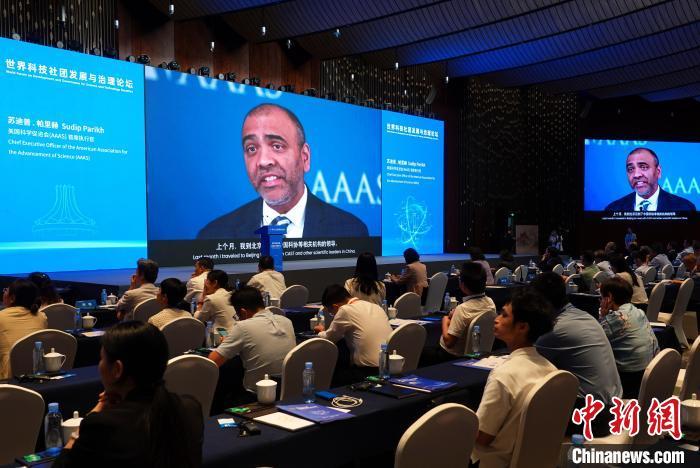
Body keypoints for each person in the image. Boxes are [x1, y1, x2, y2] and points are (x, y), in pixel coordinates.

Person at [197, 103, 368, 239]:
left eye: (277, 146)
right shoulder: (214, 235)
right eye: (251, 148)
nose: (263, 161)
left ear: (305, 157)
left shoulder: (350, 230)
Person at [53, 322, 203, 468]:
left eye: (102, 359)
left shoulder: (102, 426)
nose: (100, 365)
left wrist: (96, 410)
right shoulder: (190, 408)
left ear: (117, 369)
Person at [473, 289, 556, 467]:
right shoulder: (552, 370)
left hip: (495, 461)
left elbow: (482, 437)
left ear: (522, 327)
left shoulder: (503, 375)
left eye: (504, 315)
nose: (496, 319)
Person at [531, 273, 622, 437]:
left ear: (540, 303)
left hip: (594, 417)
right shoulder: (584, 316)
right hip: (613, 406)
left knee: (524, 407)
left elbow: (526, 364)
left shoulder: (555, 329)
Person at [208, 286, 295, 392]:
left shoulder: (242, 327)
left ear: (243, 312)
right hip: (289, 389)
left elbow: (212, 362)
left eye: (238, 316)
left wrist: (227, 342)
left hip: (257, 392)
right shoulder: (286, 321)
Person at [314, 284, 392, 378]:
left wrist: (320, 331)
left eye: (331, 313)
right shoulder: (376, 306)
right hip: (390, 366)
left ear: (335, 306)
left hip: (367, 372)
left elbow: (329, 338)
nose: (333, 315)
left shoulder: (345, 310)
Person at [599, 278, 659, 399]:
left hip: (630, 378)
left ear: (609, 297)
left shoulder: (614, 319)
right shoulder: (639, 311)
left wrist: (603, 316)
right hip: (652, 369)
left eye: (601, 297)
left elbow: (596, 341)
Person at [605, 147, 696, 212]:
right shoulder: (612, 209)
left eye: (643, 167)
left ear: (658, 172)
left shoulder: (685, 208)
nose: (636, 175)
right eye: (631, 169)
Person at [439, 262, 496, 357]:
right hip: (478, 353)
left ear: (463, 285)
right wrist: (456, 316)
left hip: (453, 356)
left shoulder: (463, 309)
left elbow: (449, 342)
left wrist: (445, 321)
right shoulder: (490, 302)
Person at [0, 280, 48, 379]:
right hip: (38, 374)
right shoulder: (42, 317)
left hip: (8, 378)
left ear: (12, 298)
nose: (3, 293)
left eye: (6, 290)